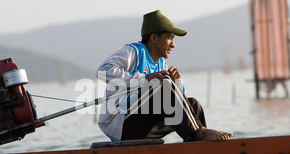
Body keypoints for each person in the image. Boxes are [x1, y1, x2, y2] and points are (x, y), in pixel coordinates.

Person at [96, 10, 232, 142]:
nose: (173, 44)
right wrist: (145, 79)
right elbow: (103, 71)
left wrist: (177, 82)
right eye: (170, 38)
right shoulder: (133, 51)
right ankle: (198, 133)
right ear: (154, 38)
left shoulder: (161, 63)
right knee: (165, 86)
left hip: (146, 126)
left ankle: (197, 144)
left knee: (193, 105)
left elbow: (178, 104)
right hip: (123, 126)